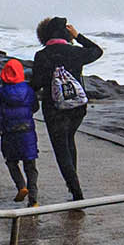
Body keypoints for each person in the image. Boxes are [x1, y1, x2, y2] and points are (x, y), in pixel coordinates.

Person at [31, 16, 102, 201]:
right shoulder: (75, 52)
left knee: (61, 147)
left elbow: (36, 83)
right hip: (77, 108)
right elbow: (97, 51)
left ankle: (75, 190)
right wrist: (78, 36)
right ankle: (74, 183)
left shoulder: (42, 55)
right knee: (69, 140)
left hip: (54, 109)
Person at [0, 58, 41, 206]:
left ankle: (21, 186)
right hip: (27, 132)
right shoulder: (28, 90)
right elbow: (35, 107)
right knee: (30, 165)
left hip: (9, 134)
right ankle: (33, 200)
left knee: (11, 162)